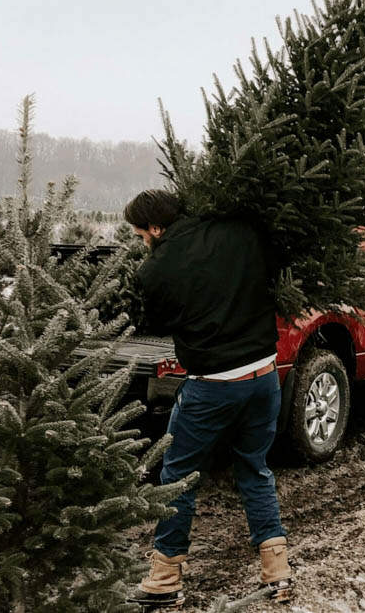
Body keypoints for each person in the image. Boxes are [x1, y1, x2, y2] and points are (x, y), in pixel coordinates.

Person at [123, 189, 293, 609]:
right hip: (264, 376)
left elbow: (158, 323)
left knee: (178, 476)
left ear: (156, 228)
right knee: (254, 469)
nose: (144, 241)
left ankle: (164, 580)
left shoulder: (155, 270)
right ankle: (278, 574)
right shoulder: (240, 230)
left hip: (212, 385)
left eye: (142, 233)